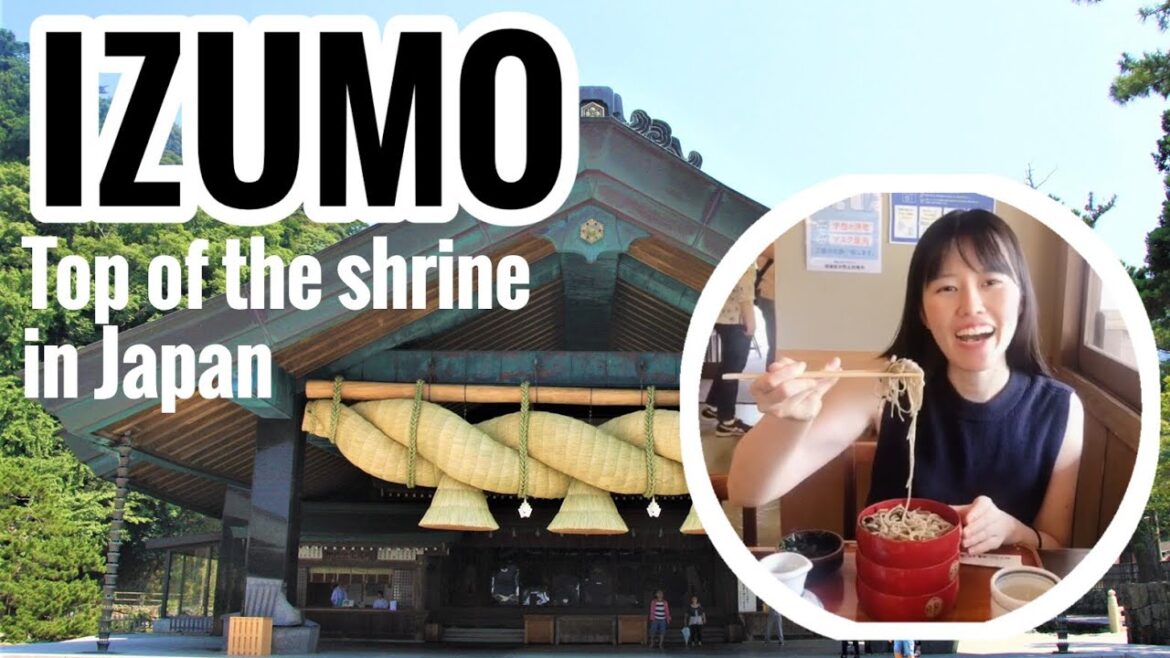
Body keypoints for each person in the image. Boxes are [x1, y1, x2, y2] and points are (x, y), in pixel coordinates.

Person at [728, 209, 1084, 554]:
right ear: (923, 313)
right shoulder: (887, 386)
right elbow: (747, 491)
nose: (970, 305)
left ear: (1021, 299)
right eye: (947, 288)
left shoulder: (1060, 408)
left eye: (990, 282)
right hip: (888, 582)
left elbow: (1054, 543)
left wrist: (1011, 530)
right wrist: (789, 421)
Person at [702, 264, 757, 437]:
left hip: (721, 316)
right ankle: (727, 422)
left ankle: (713, 406)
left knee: (728, 365)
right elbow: (744, 290)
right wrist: (750, 322)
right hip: (735, 319)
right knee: (733, 372)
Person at [755, 245, 778, 366]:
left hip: (774, 294)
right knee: (777, 345)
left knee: (777, 344)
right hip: (771, 294)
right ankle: (773, 373)